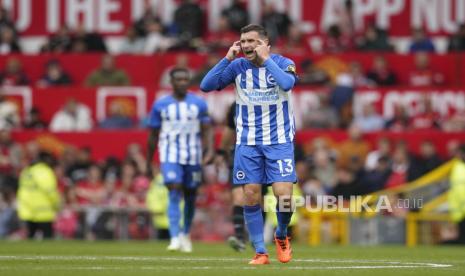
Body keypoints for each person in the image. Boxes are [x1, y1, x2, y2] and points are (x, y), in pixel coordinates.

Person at [200, 24, 297, 265]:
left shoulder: (283, 62)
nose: (246, 46)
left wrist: (267, 60)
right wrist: (226, 59)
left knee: (284, 196)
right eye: (243, 41)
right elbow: (206, 85)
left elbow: (286, 84)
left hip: (279, 141)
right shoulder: (238, 66)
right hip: (248, 143)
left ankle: (281, 235)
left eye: (252, 41)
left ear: (265, 44)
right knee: (251, 196)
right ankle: (260, 252)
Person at [146, 67, 214, 253]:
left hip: (193, 155)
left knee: (191, 196)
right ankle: (174, 237)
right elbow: (153, 135)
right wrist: (148, 161)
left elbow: (207, 129)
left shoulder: (198, 103)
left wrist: (209, 151)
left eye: (185, 79)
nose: (182, 83)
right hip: (170, 154)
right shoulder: (161, 105)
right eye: (179, 79)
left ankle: (185, 233)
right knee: (174, 189)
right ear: (171, 82)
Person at [214, 102, 246, 251]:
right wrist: (221, 152)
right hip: (239, 154)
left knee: (257, 199)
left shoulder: (266, 100)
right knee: (238, 196)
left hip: (262, 154)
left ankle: (257, 237)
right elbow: (229, 128)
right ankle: (240, 239)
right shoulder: (235, 106)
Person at [17, 151, 60, 239]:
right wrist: (57, 205)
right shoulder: (45, 171)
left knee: (30, 238)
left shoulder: (27, 171)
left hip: (27, 211)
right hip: (43, 211)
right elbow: (50, 191)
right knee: (47, 239)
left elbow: (22, 191)